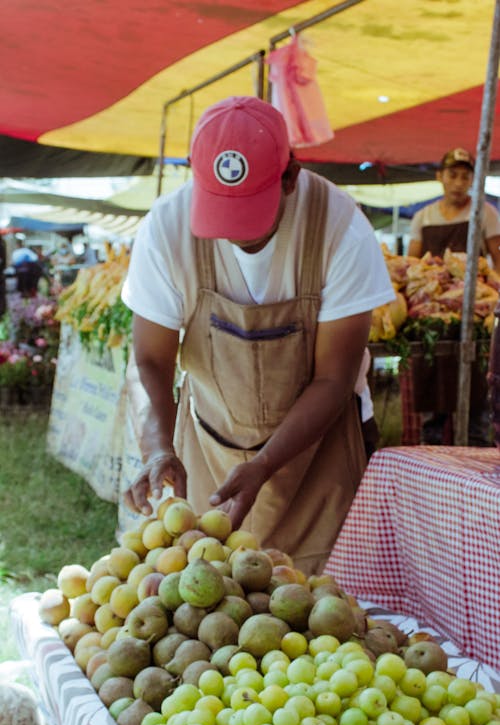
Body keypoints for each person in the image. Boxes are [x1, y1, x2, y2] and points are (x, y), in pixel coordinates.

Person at [121, 96, 394, 574]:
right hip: (207, 449)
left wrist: (265, 465)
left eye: (249, 212)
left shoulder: (342, 228)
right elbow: (150, 360)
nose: (232, 235)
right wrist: (158, 447)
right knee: (212, 602)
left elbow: (334, 378)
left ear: (290, 176)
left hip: (321, 453)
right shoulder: (165, 229)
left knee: (328, 605)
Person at [407, 147, 500, 445]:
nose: (459, 182)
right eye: (453, 175)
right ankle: (431, 453)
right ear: (440, 177)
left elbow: (497, 261)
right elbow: (411, 265)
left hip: (473, 316)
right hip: (431, 319)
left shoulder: (485, 212)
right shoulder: (423, 217)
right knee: (433, 401)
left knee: (476, 399)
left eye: (465, 176)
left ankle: (476, 449)